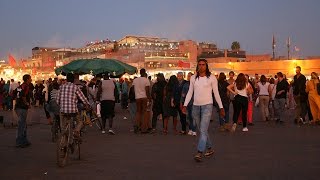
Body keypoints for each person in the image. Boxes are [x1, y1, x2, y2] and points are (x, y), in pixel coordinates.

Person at [182, 59, 225, 162]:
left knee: (203, 128)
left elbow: (216, 93)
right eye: (200, 65)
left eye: (203, 65)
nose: (201, 66)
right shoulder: (193, 78)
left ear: (206, 66)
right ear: (197, 66)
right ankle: (209, 148)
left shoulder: (212, 78)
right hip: (195, 106)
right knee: (202, 129)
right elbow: (190, 93)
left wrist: (221, 107)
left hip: (207, 105)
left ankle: (199, 152)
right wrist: (184, 105)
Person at [57, 73, 90, 138]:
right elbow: (83, 98)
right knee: (80, 122)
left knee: (63, 125)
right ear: (73, 80)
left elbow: (57, 100)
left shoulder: (61, 87)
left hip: (63, 110)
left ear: (66, 79)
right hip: (73, 111)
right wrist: (87, 104)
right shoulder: (75, 87)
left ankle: (63, 138)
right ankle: (76, 131)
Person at [15, 74, 32, 148]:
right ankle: (19, 141)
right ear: (27, 79)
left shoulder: (20, 86)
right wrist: (27, 103)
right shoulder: (26, 86)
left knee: (24, 124)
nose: (31, 79)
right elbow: (23, 96)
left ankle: (24, 140)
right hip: (22, 107)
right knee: (21, 125)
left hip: (18, 107)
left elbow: (14, 93)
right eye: (30, 78)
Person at [132, 69, 151, 133]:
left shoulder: (135, 80)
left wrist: (136, 94)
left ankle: (137, 125)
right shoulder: (146, 80)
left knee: (138, 112)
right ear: (145, 72)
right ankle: (144, 128)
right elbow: (147, 91)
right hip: (144, 97)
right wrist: (149, 98)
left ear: (140, 73)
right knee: (144, 112)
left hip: (137, 97)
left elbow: (133, 90)